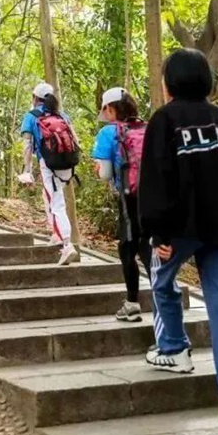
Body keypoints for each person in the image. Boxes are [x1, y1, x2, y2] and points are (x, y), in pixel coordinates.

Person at [139, 48, 218, 427]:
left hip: (183, 227)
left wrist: (158, 230)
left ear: (170, 82)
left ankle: (174, 349)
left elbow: (158, 177)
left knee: (161, 278)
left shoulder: (165, 119)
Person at [92, 87, 152, 322]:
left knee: (128, 247)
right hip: (153, 197)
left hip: (129, 196)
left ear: (111, 108)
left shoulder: (109, 132)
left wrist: (99, 169)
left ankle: (132, 303)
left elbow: (105, 174)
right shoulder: (148, 128)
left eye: (105, 109)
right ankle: (162, 296)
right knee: (149, 245)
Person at [20, 83, 79, 266]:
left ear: (35, 98)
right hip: (66, 163)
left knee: (56, 202)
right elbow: (76, 140)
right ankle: (56, 234)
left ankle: (67, 245)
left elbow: (27, 146)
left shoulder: (31, 116)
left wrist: (27, 170)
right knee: (51, 197)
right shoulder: (62, 115)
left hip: (48, 163)